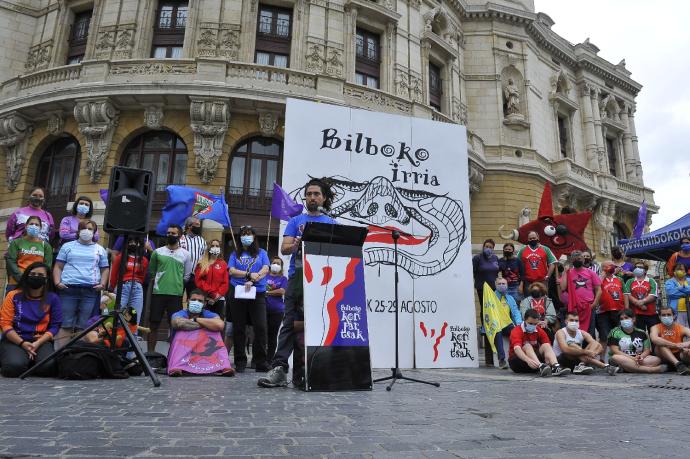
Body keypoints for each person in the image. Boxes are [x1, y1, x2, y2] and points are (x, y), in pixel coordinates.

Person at [259, 178, 336, 388]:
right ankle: (280, 368)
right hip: (298, 277)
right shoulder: (296, 221)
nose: (312, 197)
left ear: (324, 198)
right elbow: (284, 249)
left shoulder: (331, 223)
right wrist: (295, 244)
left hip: (323, 280)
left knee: (321, 323)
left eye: (316, 194)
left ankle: (314, 369)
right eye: (309, 194)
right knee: (290, 323)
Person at [52, 220, 109, 348]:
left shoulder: (100, 249)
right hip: (68, 290)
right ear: (78, 230)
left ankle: (77, 356)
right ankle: (60, 355)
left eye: (90, 229)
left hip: (90, 291)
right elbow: (58, 266)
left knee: (83, 326)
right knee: (65, 324)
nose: (87, 231)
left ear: (94, 233)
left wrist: (103, 284)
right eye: (84, 228)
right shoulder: (67, 247)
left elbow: (105, 268)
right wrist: (57, 282)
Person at [0, 262, 62, 377]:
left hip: (41, 340)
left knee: (48, 367)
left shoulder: (53, 298)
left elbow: (55, 326)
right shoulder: (13, 295)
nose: (36, 277)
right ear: (26, 276)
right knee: (13, 368)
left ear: (47, 279)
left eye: (40, 275)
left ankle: (28, 358)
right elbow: (5, 324)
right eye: (33, 274)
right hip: (15, 340)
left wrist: (38, 343)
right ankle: (20, 357)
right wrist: (23, 343)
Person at [228, 225, 270, 373]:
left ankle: (260, 361)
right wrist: (247, 274)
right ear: (240, 238)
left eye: (249, 234)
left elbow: (265, 269)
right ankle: (240, 361)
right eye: (244, 234)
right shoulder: (235, 254)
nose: (246, 236)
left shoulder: (262, 252)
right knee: (239, 327)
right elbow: (232, 271)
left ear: (254, 237)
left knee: (260, 327)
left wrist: (253, 279)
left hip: (257, 292)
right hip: (238, 292)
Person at [168, 289, 234, 377]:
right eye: (193, 300)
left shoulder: (208, 314)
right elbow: (178, 323)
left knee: (216, 331)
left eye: (200, 301)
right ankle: (177, 367)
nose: (196, 302)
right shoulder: (181, 313)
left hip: (203, 347)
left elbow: (220, 325)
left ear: (204, 304)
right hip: (184, 347)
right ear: (188, 301)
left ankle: (224, 366)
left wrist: (196, 319)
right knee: (182, 330)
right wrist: (205, 324)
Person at [147, 224, 192, 353]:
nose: (170, 235)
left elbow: (187, 275)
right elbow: (152, 272)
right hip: (158, 293)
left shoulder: (186, 254)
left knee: (175, 327)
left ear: (180, 236)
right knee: (154, 325)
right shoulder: (157, 252)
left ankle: (173, 357)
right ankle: (150, 355)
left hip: (176, 295)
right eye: (168, 233)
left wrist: (176, 284)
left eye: (173, 233)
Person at [508, 308, 570, 376]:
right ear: (524, 320)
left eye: (535, 324)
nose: (532, 326)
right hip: (518, 361)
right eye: (530, 323)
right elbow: (517, 349)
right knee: (527, 345)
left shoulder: (539, 330)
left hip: (534, 361)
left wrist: (547, 357)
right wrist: (527, 360)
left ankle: (555, 367)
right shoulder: (516, 330)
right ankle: (540, 366)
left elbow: (548, 346)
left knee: (546, 345)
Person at [553, 311, 618, 375]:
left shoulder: (582, 332)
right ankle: (603, 366)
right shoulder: (561, 332)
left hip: (578, 359)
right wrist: (586, 352)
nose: (574, 323)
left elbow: (599, 347)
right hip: (563, 360)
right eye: (571, 320)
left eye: (576, 321)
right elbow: (565, 350)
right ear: (566, 321)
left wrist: (593, 353)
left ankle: (581, 365)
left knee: (595, 343)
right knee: (573, 345)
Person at [5, 215, 53, 296]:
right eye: (31, 224)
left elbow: (47, 265)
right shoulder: (16, 242)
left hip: (36, 283)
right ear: (26, 226)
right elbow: (11, 261)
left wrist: (37, 279)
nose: (34, 226)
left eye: (37, 225)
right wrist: (21, 278)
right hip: (16, 282)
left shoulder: (46, 246)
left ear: (40, 228)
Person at [608, 309, 666, 374]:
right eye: (621, 319)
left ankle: (626, 368)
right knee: (615, 358)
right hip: (622, 357)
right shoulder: (614, 332)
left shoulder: (642, 333)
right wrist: (633, 359)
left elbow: (647, 350)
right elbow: (615, 351)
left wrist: (641, 357)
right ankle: (650, 370)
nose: (624, 320)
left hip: (638, 359)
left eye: (626, 318)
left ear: (633, 319)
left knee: (657, 360)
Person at [559, 250, 601, 335]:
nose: (577, 260)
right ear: (571, 260)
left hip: (589, 306)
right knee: (574, 332)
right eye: (575, 259)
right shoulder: (568, 272)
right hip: (574, 307)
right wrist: (565, 272)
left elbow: (599, 290)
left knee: (590, 332)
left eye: (579, 258)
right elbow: (563, 287)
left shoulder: (591, 272)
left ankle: (589, 348)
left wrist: (594, 304)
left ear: (582, 259)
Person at [109, 238, 149, 323]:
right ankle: (115, 334)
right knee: (117, 314)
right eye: (130, 242)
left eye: (135, 242)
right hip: (123, 287)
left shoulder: (144, 260)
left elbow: (143, 276)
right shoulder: (121, 257)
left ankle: (132, 335)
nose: (133, 244)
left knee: (135, 315)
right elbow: (114, 273)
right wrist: (112, 287)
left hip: (137, 288)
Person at [194, 239, 229, 321]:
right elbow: (198, 281)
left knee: (217, 322)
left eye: (217, 246)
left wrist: (218, 295)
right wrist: (212, 293)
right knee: (204, 321)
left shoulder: (223, 264)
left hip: (219, 299)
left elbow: (225, 282)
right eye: (213, 246)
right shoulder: (201, 263)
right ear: (209, 248)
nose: (215, 248)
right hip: (205, 298)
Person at [649, 306, 690, 375]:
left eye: (669, 314)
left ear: (673, 316)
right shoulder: (655, 327)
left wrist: (687, 344)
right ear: (659, 317)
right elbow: (654, 339)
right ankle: (678, 365)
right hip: (662, 355)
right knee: (661, 344)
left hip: (679, 354)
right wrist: (675, 345)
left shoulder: (681, 328)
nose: (666, 317)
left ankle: (680, 366)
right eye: (663, 315)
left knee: (688, 351)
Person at [597, 261, 625, 355]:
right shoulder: (599, 278)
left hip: (619, 311)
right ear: (603, 268)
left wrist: (626, 309)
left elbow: (625, 294)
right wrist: (602, 276)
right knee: (604, 336)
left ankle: (620, 357)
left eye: (613, 266)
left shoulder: (619, 279)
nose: (612, 267)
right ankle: (601, 360)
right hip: (603, 311)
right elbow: (596, 288)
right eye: (609, 266)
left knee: (619, 336)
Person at [493, 277, 522, 369]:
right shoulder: (491, 297)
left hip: (507, 324)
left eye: (503, 284)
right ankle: (502, 360)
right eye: (499, 284)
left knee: (516, 333)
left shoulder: (510, 298)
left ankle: (517, 356)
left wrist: (519, 323)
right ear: (495, 285)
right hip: (495, 325)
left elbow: (516, 312)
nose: (501, 285)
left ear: (507, 285)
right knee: (497, 333)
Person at [623, 261, 659, 332]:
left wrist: (642, 302)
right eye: (636, 267)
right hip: (636, 314)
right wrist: (640, 305)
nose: (637, 269)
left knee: (653, 334)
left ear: (645, 270)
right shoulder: (630, 281)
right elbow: (628, 295)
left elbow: (653, 295)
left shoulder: (651, 281)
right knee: (639, 335)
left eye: (640, 267)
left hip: (651, 313)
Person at [265, 256, 287, 362]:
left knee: (272, 336)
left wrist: (267, 293)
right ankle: (259, 359)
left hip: (277, 311)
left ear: (281, 267)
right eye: (273, 263)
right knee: (261, 334)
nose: (275, 265)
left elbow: (282, 291)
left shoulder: (283, 279)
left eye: (278, 263)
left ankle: (269, 359)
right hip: (262, 309)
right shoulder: (264, 276)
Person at [179, 216, 207, 299]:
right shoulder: (180, 239)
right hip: (181, 274)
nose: (199, 227)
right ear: (189, 226)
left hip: (195, 275)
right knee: (177, 297)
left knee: (193, 298)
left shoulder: (202, 240)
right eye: (197, 224)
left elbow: (205, 257)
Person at [473, 239, 500, 306]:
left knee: (493, 307)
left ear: (493, 248)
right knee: (484, 308)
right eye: (486, 246)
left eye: (490, 247)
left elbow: (497, 271)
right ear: (483, 247)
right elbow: (473, 271)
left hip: (494, 287)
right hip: (482, 288)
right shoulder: (477, 258)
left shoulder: (495, 258)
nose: (488, 248)